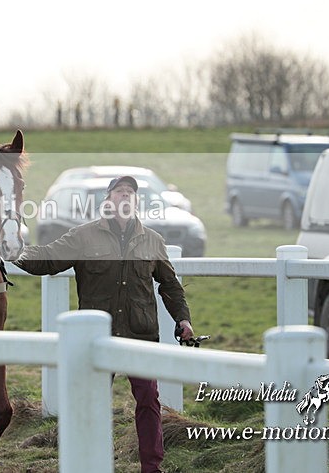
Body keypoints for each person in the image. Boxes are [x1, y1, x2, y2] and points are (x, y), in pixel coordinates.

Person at [14, 175, 194, 473]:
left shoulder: (152, 240)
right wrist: (14, 251)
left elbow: (170, 287)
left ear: (137, 202)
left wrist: (183, 319)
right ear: (107, 201)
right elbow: (48, 259)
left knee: (149, 401)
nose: (125, 196)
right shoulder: (83, 236)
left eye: (130, 192)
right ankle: (90, 463)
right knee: (92, 403)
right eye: (119, 191)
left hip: (141, 335)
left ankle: (152, 467)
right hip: (97, 337)